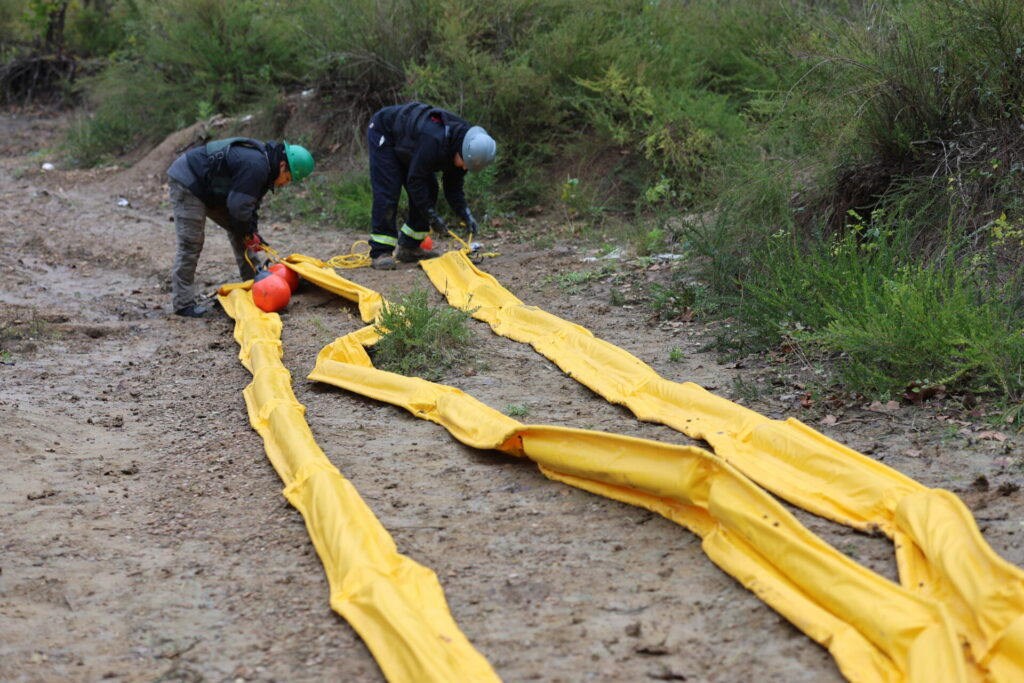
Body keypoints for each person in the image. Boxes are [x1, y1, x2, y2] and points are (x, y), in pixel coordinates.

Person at [165, 137, 314, 317]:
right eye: (288, 178)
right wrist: (248, 232)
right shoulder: (256, 166)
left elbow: (249, 206)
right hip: (189, 181)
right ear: (282, 166)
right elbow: (239, 208)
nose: (285, 184)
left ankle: (255, 283)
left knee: (243, 232)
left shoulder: (267, 169)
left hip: (214, 188)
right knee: (191, 243)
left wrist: (252, 233)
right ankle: (183, 304)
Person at [366, 102, 496, 270]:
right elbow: (415, 181)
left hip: (412, 144)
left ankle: (409, 247)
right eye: (465, 163)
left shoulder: (464, 147)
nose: (465, 168)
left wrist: (465, 213)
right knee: (389, 191)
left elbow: (453, 187)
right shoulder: (434, 140)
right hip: (385, 131)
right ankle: (380, 252)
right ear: (462, 151)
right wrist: (431, 217)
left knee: (429, 189)